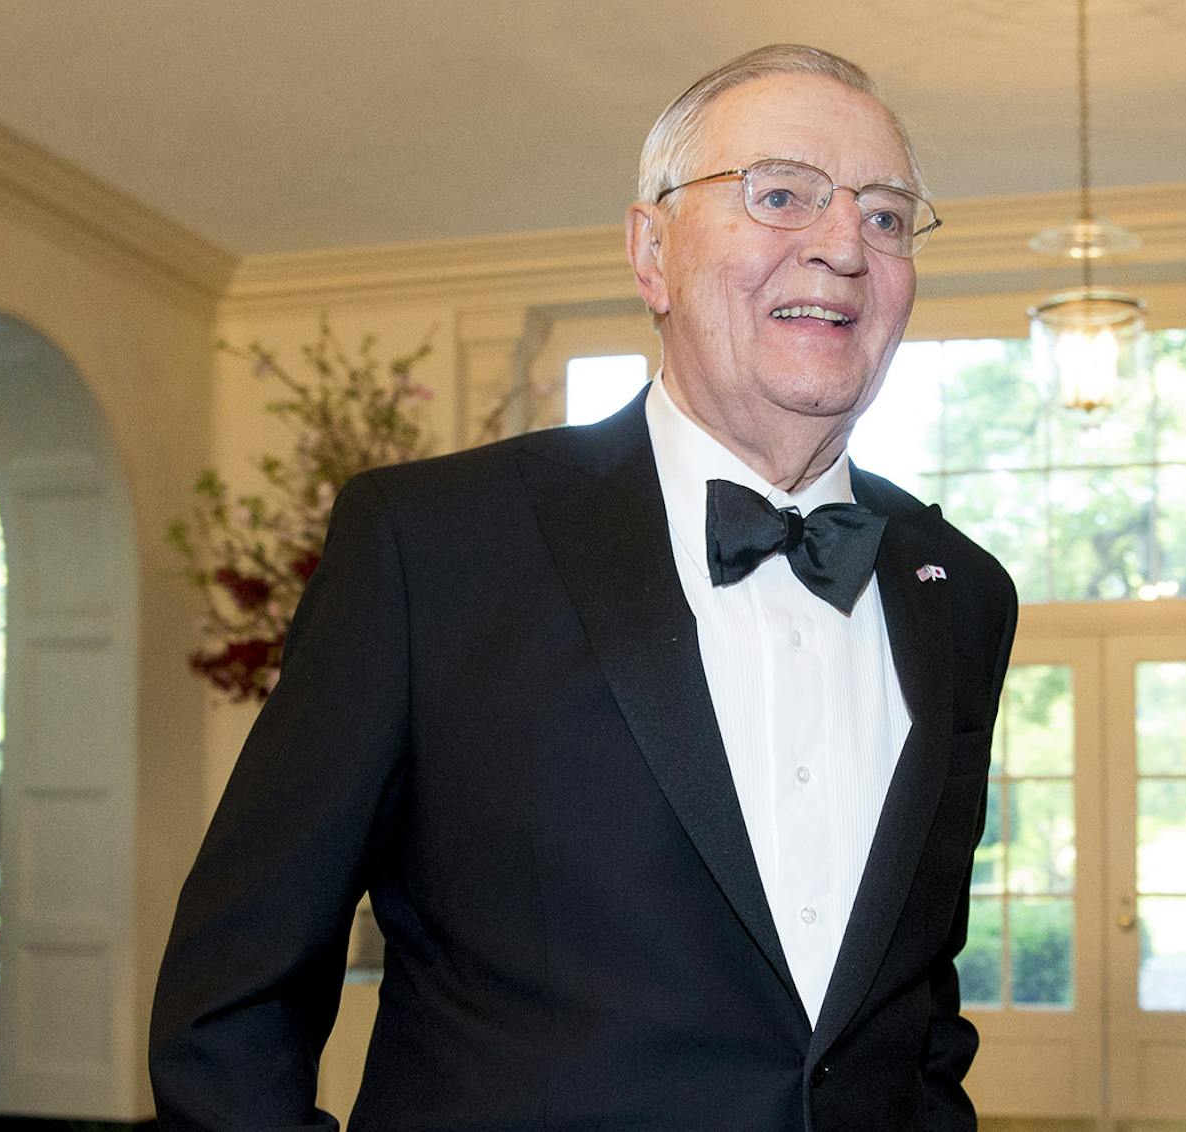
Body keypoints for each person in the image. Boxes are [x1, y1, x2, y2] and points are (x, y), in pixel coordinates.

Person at [151, 44, 1016, 1131]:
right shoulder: (431, 544)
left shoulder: (964, 591)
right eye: (782, 193)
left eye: (887, 216)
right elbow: (231, 1001)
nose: (843, 244)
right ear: (651, 251)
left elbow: (918, 1015)